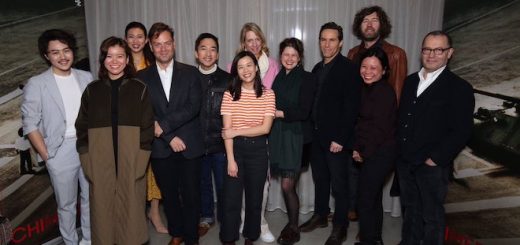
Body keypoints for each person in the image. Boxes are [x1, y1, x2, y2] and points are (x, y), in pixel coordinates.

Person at [397, 31, 474, 245]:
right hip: (406, 162)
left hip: (432, 166)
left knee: (432, 217)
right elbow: (404, 118)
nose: (432, 55)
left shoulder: (459, 88)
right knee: (410, 211)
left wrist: (435, 159)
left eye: (438, 50)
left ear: (449, 53)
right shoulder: (411, 81)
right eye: (427, 49)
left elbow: (462, 130)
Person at [75, 36, 154, 244]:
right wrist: (87, 160)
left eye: (120, 56)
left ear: (127, 59)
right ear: (103, 60)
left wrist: (140, 161)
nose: (115, 61)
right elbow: (81, 128)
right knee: (103, 213)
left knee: (132, 212)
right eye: (109, 56)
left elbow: (147, 129)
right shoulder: (92, 90)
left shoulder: (140, 89)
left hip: (132, 160)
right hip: (99, 162)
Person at [21, 29, 91, 245]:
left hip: (88, 146)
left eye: (66, 50)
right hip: (59, 151)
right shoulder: (37, 83)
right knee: (66, 204)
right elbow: (30, 123)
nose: (62, 56)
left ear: (72, 51)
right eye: (55, 52)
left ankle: (88, 240)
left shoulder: (86, 77)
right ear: (46, 56)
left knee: (90, 199)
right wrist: (47, 155)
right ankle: (70, 242)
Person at [137, 22, 204, 245]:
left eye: (167, 43)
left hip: (189, 145)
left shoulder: (191, 73)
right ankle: (177, 233)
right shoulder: (141, 77)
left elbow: (193, 108)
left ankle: (192, 238)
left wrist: (164, 127)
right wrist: (168, 137)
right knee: (169, 196)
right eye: (157, 44)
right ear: (151, 46)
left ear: (174, 44)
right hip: (160, 147)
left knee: (192, 196)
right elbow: (144, 114)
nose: (163, 48)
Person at [298, 22, 361, 245]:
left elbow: (352, 107)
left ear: (341, 42)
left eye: (332, 40)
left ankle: (340, 225)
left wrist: (341, 139)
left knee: (339, 184)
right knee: (320, 179)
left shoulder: (349, 69)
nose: (327, 44)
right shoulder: (317, 68)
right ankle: (321, 215)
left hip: (336, 140)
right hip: (316, 137)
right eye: (323, 39)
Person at [347, 5, 408, 222]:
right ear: (359, 26)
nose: (370, 24)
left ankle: (373, 237)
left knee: (370, 193)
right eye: (365, 20)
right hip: (358, 134)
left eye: (374, 20)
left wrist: (373, 144)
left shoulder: (396, 54)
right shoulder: (353, 54)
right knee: (363, 192)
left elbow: (398, 99)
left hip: (380, 138)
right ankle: (367, 232)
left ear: (381, 24)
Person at [219, 51, 275, 245]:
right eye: (240, 67)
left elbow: (265, 128)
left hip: (258, 151)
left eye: (249, 65)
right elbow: (227, 131)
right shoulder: (229, 94)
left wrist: (235, 132)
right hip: (235, 150)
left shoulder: (268, 94)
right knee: (231, 200)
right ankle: (229, 239)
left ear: (257, 67)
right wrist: (231, 160)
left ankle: (251, 237)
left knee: (254, 199)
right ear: (236, 71)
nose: (246, 70)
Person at [233, 21, 278, 243]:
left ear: (262, 41)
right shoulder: (238, 65)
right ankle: (245, 220)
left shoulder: (273, 65)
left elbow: (274, 98)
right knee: (241, 184)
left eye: (256, 39)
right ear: (243, 43)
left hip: (265, 135)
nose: (253, 43)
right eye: (248, 40)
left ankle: (260, 223)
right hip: (241, 136)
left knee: (263, 184)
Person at [269, 38, 316, 245]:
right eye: (285, 54)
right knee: (286, 185)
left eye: (293, 55)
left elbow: (304, 111)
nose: (289, 58)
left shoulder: (307, 78)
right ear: (281, 56)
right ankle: (292, 223)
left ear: (300, 57)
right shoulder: (278, 78)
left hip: (298, 139)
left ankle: (294, 227)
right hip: (279, 136)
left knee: (288, 185)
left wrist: (279, 112)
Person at [124, 21, 168, 234]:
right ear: (125, 40)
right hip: (130, 127)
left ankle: (155, 212)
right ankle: (135, 214)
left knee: (154, 171)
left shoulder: (155, 63)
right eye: (131, 36)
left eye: (140, 36)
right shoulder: (120, 63)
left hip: (154, 125)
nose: (135, 41)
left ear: (148, 41)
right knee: (133, 172)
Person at [352, 48, 397, 245]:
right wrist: (356, 147)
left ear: (384, 70)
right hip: (370, 150)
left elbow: (379, 129)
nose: (367, 71)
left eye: (373, 68)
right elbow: (360, 123)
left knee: (365, 200)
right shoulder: (364, 88)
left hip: (381, 153)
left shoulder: (385, 92)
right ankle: (375, 239)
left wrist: (363, 153)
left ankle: (369, 240)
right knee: (373, 197)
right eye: (364, 66)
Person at [194, 33, 231, 236]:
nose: (208, 53)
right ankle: (206, 217)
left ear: (217, 54)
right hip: (197, 143)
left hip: (221, 143)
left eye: (213, 49)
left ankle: (227, 220)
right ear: (196, 53)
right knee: (202, 183)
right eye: (203, 48)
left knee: (224, 185)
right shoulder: (189, 77)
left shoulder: (227, 79)